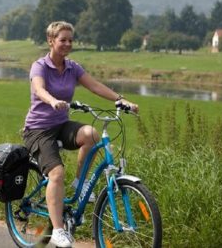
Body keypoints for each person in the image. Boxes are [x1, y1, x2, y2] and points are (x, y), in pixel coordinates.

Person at [22, 21, 138, 248]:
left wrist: (120, 100)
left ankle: (79, 183)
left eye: (70, 40)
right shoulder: (40, 66)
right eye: (62, 39)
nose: (67, 44)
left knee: (92, 134)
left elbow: (95, 86)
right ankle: (57, 231)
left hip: (61, 124)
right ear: (51, 41)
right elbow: (39, 88)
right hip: (38, 129)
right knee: (56, 173)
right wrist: (52, 100)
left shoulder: (73, 67)